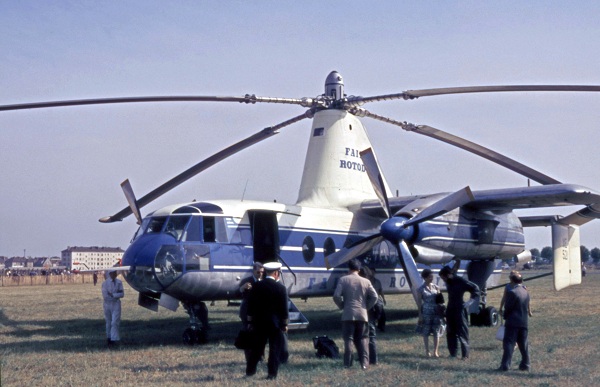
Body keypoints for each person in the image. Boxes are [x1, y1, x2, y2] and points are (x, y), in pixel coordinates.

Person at [245, 262, 289, 380]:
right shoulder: (281, 288)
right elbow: (284, 308)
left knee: (257, 349)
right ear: (276, 273)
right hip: (275, 324)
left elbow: (250, 305)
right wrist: (285, 323)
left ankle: (250, 371)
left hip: (259, 323)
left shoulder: (257, 286)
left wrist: (250, 322)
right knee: (274, 349)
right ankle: (272, 374)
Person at [333, 259, 378, 369]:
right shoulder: (366, 281)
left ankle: (347, 363)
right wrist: (366, 306)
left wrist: (342, 305)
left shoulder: (343, 280)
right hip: (362, 314)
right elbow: (375, 297)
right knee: (363, 338)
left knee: (348, 339)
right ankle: (364, 364)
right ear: (359, 269)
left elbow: (336, 296)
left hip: (348, 313)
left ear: (349, 268)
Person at [439, 264, 480, 359]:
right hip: (450, 308)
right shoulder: (449, 282)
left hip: (459, 309)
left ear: (449, 275)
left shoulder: (460, 281)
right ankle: (453, 353)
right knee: (450, 332)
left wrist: (470, 301)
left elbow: (476, 289)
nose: (443, 280)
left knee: (462, 332)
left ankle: (465, 355)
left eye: (444, 278)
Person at [499, 271, 531, 371]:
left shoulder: (512, 292)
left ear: (512, 281)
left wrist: (505, 316)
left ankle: (505, 365)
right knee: (523, 345)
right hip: (524, 322)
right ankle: (526, 364)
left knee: (508, 344)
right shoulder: (526, 292)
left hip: (512, 322)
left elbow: (508, 307)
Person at [416, 268, 444, 358]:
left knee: (436, 332)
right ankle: (427, 351)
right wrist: (420, 315)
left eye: (432, 277)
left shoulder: (436, 287)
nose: (431, 278)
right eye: (429, 277)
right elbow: (419, 303)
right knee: (426, 332)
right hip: (426, 313)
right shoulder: (420, 289)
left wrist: (442, 312)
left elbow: (441, 301)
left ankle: (435, 351)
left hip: (436, 312)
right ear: (424, 278)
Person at [359, 266, 381, 365]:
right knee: (371, 337)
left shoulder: (361, 285)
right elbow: (378, 302)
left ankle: (364, 358)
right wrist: (377, 316)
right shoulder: (369, 284)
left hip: (362, 313)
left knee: (362, 337)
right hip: (370, 314)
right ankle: (374, 359)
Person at [101, 270, 124, 347]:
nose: (114, 274)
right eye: (113, 273)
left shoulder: (119, 282)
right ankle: (109, 337)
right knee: (108, 321)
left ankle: (114, 339)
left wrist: (113, 295)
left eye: (115, 273)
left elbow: (122, 294)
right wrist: (114, 295)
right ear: (109, 274)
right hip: (107, 304)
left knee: (115, 321)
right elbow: (105, 295)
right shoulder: (105, 283)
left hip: (116, 303)